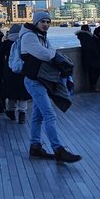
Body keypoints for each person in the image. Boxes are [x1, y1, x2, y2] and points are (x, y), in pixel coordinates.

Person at [20, 11, 82, 163]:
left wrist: (51, 52)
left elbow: (50, 52)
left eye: (48, 22)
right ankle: (58, 149)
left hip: (41, 80)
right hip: (34, 82)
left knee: (37, 116)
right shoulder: (29, 36)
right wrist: (52, 52)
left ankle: (35, 147)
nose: (46, 24)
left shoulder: (40, 36)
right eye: (43, 22)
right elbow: (47, 55)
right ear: (36, 22)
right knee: (49, 114)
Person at [1, 24, 30, 124]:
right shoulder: (24, 42)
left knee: (11, 94)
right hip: (22, 71)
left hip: (9, 71)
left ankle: (10, 112)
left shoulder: (7, 43)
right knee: (22, 94)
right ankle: (22, 113)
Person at [76, 24, 100, 92]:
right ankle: (93, 87)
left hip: (89, 57)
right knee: (94, 72)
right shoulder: (86, 36)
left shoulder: (83, 36)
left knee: (93, 72)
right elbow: (90, 47)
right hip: (91, 57)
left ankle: (93, 87)